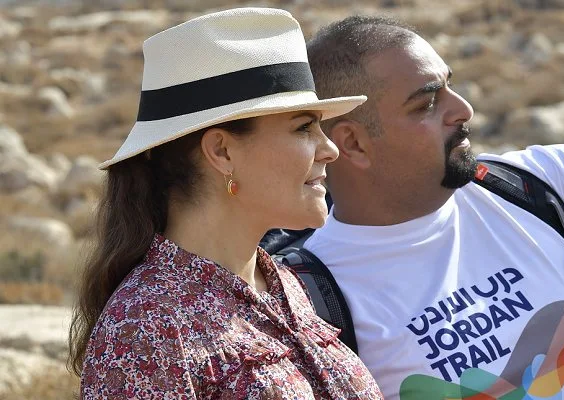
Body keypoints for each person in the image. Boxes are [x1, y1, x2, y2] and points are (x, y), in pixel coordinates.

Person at [67, 8, 384, 399]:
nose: (330, 148)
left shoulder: (282, 285)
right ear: (222, 151)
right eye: (303, 127)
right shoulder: (145, 325)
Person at [300, 15, 564, 400]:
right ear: (353, 143)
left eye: (450, 86)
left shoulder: (547, 183)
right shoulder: (312, 300)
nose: (463, 109)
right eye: (426, 103)